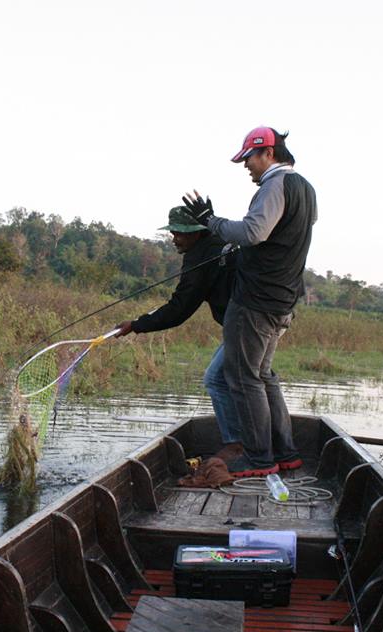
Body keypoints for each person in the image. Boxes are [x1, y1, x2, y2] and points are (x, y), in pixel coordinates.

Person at [182, 126, 317, 477]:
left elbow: (254, 231)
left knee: (243, 378)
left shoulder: (276, 184)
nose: (246, 166)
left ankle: (260, 459)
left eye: (249, 159)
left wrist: (211, 222)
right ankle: (286, 453)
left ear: (268, 154)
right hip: (282, 300)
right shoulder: (306, 188)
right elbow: (278, 239)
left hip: (256, 301)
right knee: (263, 375)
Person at [114, 206, 244, 460]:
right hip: (262, 315)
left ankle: (237, 444)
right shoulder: (220, 241)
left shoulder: (200, 257)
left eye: (180, 234)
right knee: (259, 379)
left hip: (248, 321)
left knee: (216, 379)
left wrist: (136, 325)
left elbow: (179, 309)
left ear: (196, 232)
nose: (175, 239)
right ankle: (270, 442)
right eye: (174, 233)